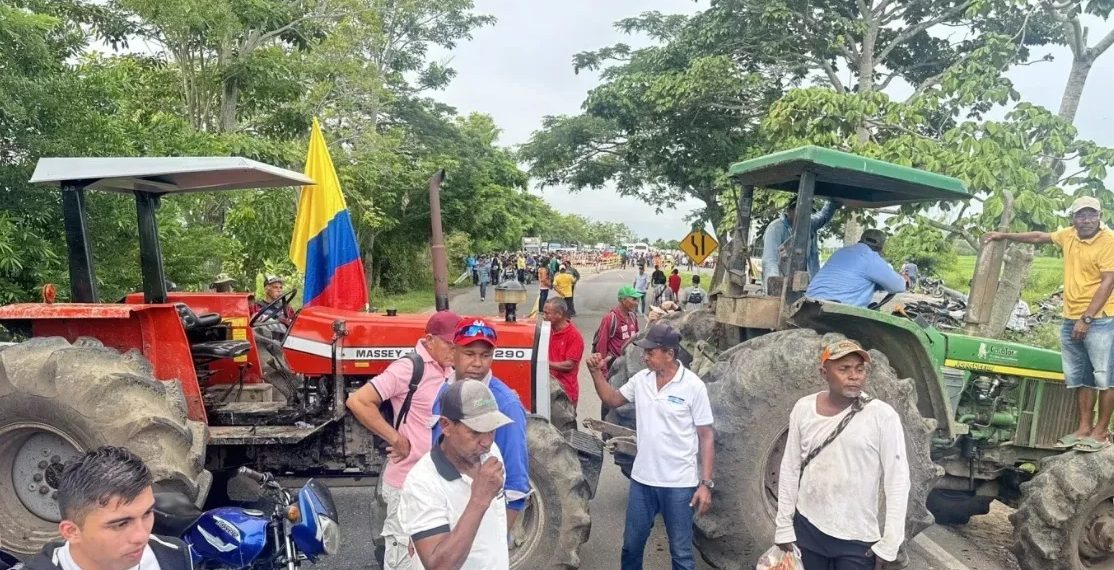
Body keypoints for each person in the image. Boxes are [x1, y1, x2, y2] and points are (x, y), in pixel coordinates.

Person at [984, 196, 1114, 451]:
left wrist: (1086, 318)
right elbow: (1038, 237)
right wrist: (1003, 236)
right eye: (1081, 215)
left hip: (1101, 318)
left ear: (1100, 216)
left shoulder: (1109, 241)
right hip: (1071, 316)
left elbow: (1108, 282)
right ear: (1073, 218)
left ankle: (1101, 432)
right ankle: (1084, 428)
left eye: (1091, 215)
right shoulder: (1069, 235)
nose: (1086, 220)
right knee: (1080, 376)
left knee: (1105, 377)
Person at [587, 323, 715, 570]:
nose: (645, 356)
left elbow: (706, 436)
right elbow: (612, 399)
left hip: (679, 485)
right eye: (645, 351)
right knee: (631, 547)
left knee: (681, 553)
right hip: (643, 482)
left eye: (651, 352)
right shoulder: (641, 380)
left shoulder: (693, 386)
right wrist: (595, 374)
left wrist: (705, 484)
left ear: (670, 353)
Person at [774, 339, 911, 570]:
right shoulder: (804, 409)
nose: (854, 376)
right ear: (824, 372)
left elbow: (897, 481)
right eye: (844, 369)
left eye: (860, 369)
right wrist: (784, 525)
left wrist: (890, 542)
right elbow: (790, 467)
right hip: (808, 528)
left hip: (857, 538)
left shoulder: (882, 416)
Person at [345, 311, 460, 570]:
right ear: (429, 340)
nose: (455, 351)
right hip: (407, 482)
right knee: (403, 560)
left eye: (458, 345)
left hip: (439, 483)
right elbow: (358, 401)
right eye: (449, 344)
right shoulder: (409, 368)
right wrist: (395, 438)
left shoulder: (448, 370)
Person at [398, 380, 513, 570]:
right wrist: (479, 500)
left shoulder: (491, 452)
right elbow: (438, 567)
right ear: (446, 425)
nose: (486, 441)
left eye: (491, 429)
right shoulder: (422, 482)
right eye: (475, 432)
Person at [23, 446, 193, 570]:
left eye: (147, 513)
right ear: (71, 532)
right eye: (121, 524)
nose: (142, 536)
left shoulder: (179, 557)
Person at [432, 318, 531, 528]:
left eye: (485, 356)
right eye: (469, 354)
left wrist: (494, 539)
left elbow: (516, 485)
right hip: (442, 510)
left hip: (483, 520)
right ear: (452, 354)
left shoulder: (505, 405)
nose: (478, 363)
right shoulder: (444, 391)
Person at [805, 229, 906, 308]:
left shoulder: (840, 252)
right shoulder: (870, 257)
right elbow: (899, 286)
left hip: (809, 302)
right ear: (881, 247)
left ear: (860, 240)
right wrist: (905, 280)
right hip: (837, 309)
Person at [762, 199, 841, 292]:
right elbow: (770, 260)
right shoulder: (776, 228)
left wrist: (833, 202)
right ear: (789, 211)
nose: (803, 216)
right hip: (782, 284)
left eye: (807, 213)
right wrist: (774, 287)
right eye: (799, 211)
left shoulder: (808, 223)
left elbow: (823, 217)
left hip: (803, 285)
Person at [594, 286, 643, 378]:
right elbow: (602, 345)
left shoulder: (632, 316)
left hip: (630, 365)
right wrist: (603, 371)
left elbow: (637, 339)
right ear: (623, 300)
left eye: (637, 300)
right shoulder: (610, 318)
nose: (637, 303)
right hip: (614, 367)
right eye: (634, 299)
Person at [543, 298, 584, 406]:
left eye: (547, 314)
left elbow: (569, 365)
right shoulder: (546, 331)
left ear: (559, 314)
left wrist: (542, 364)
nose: (544, 316)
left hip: (564, 394)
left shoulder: (574, 336)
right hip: (546, 388)